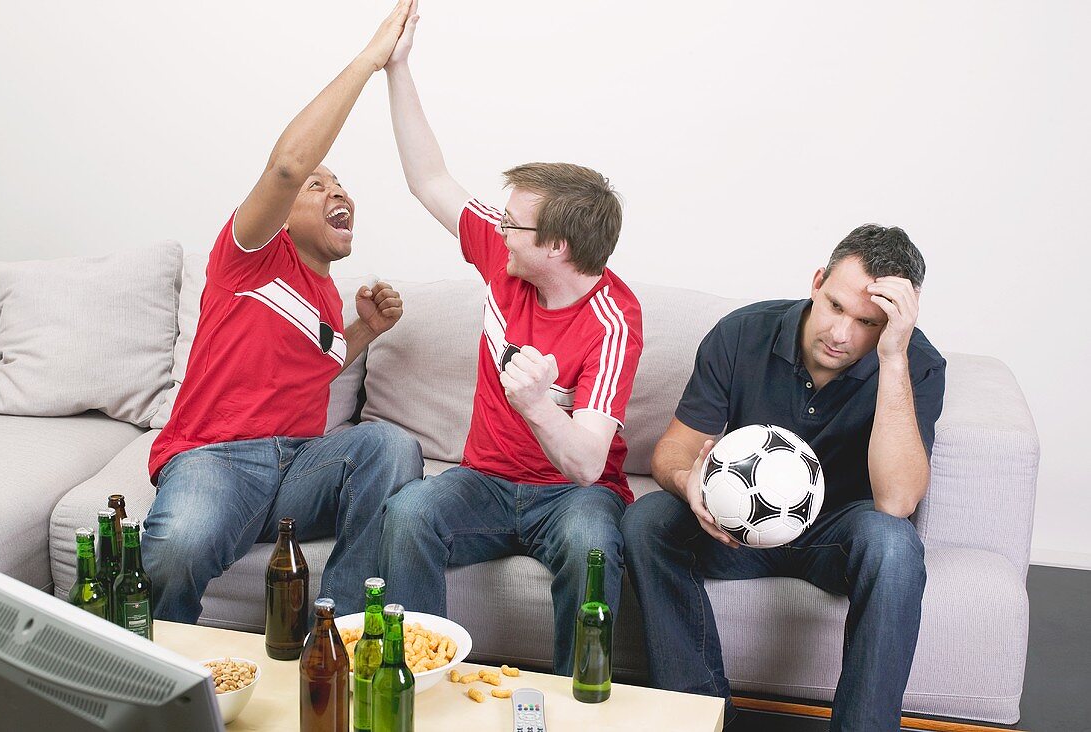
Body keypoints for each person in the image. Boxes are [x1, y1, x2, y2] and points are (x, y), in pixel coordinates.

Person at [376, 5, 643, 676]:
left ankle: (575, 705)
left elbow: (586, 463)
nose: (499, 230)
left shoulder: (615, 319)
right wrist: (398, 67)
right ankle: (414, 680)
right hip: (486, 484)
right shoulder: (508, 256)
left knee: (594, 548)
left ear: (557, 246)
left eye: (515, 224)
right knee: (410, 513)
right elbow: (429, 180)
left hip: (573, 494)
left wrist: (538, 407)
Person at [142, 0, 423, 623]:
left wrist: (365, 331)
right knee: (175, 549)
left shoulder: (324, 292)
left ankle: (334, 633)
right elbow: (288, 164)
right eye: (318, 187)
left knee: (391, 447)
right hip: (217, 457)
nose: (337, 191)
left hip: (300, 464)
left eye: (340, 185)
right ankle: (148, 678)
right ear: (283, 211)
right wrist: (371, 59)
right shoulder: (248, 254)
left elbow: (310, 369)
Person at [622, 225, 946, 730]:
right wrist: (689, 481)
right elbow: (675, 449)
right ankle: (699, 715)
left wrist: (893, 355)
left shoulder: (915, 364)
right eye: (836, 306)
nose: (841, 334)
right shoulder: (743, 333)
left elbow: (898, 500)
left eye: (868, 322)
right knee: (648, 520)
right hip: (739, 529)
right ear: (817, 282)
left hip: (839, 537)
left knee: (895, 545)